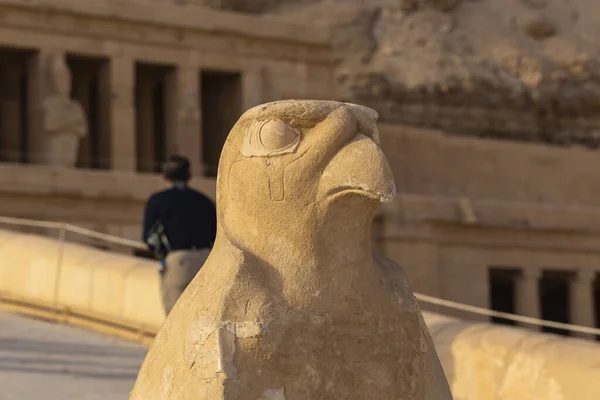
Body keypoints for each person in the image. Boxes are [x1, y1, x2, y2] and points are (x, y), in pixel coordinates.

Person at [142, 155, 217, 315]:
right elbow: (215, 235)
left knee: (176, 319)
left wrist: (161, 255)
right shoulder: (205, 201)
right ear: (189, 176)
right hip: (205, 261)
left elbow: (149, 237)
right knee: (202, 316)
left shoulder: (158, 201)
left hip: (178, 261)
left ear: (165, 176)